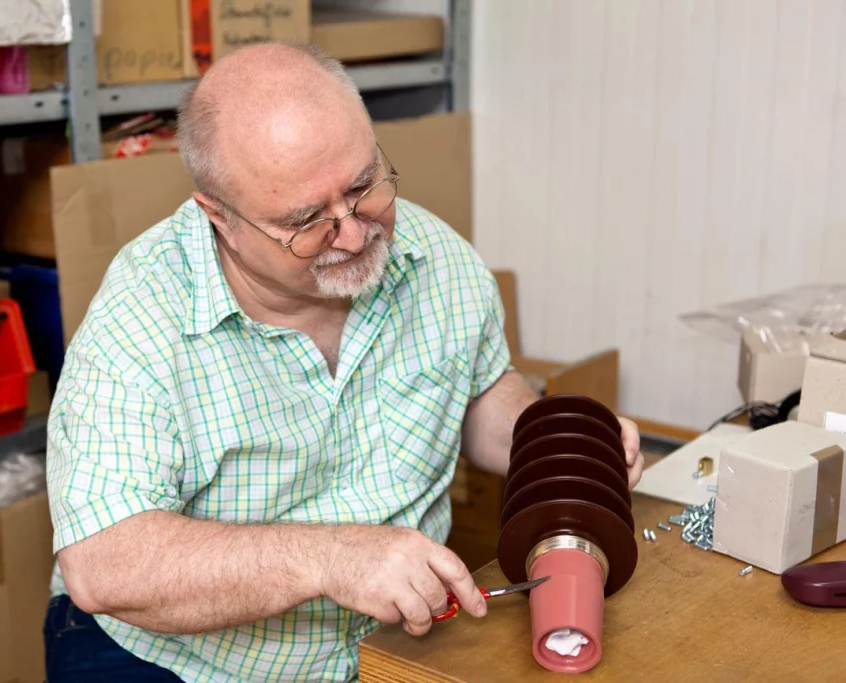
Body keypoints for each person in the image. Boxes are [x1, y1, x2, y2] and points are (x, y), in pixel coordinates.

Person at [43, 42, 644, 683]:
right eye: (306, 221)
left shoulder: (435, 258)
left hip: (387, 649)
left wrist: (559, 443)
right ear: (220, 218)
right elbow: (103, 565)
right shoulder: (139, 322)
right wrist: (330, 559)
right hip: (180, 661)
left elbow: (477, 392)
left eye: (363, 186)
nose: (355, 236)